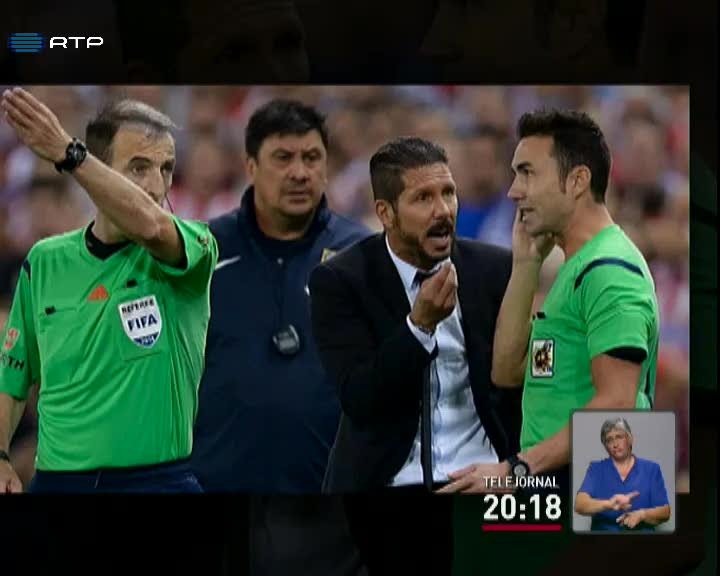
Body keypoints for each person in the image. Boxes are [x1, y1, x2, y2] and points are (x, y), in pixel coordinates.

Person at [309, 136, 521, 574]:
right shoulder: (341, 281)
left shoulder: (495, 270)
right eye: (423, 198)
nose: (443, 210)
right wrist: (418, 327)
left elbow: (520, 384)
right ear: (385, 213)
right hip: (389, 482)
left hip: (484, 479)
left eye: (448, 193)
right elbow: (360, 399)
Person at [0, 87, 218, 493]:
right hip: (58, 481)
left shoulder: (193, 246)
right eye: (139, 167)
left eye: (166, 168)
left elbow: (150, 225)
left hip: (157, 481)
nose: (156, 185)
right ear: (98, 172)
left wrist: (67, 152)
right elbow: (12, 376)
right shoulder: (44, 261)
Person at [439, 109, 659, 495]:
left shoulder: (611, 270)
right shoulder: (576, 268)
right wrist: (525, 264)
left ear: (577, 181)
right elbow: (508, 372)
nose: (514, 191)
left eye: (527, 173)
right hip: (561, 484)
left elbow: (617, 406)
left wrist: (517, 470)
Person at [190, 99, 368, 575]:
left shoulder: (361, 254)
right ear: (250, 166)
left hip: (326, 506)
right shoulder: (204, 251)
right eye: (283, 158)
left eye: (312, 158)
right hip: (219, 490)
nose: (299, 173)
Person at [575, 417, 671, 531]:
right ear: (606, 446)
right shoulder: (596, 469)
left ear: (630, 439)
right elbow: (579, 504)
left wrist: (642, 515)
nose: (615, 444)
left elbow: (665, 511)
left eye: (619, 437)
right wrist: (609, 504)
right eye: (609, 440)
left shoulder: (651, 469)